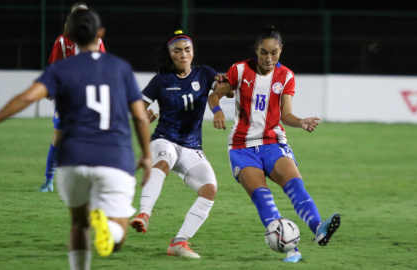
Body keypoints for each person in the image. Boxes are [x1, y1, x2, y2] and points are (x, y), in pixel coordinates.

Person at [0, 10, 151, 270]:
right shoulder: (120, 67)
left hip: (72, 159)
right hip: (114, 158)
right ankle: (109, 228)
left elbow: (26, 98)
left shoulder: (61, 68)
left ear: (69, 36)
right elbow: (139, 116)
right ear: (100, 34)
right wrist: (146, 155)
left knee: (78, 223)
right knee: (117, 237)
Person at [208, 25, 341, 263]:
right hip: (242, 146)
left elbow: (285, 115)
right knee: (262, 196)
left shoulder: (286, 76)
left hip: (273, 142)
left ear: (281, 50)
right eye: (263, 53)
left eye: (274, 52)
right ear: (256, 51)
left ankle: (318, 228)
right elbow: (215, 94)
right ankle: (291, 250)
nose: (269, 58)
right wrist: (217, 111)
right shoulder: (239, 70)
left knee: (296, 186)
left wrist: (301, 122)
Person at [129, 30, 231, 258]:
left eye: (187, 49)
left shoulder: (204, 73)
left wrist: (225, 87)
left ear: (193, 52)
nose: (183, 54)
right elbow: (138, 108)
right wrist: (144, 115)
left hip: (192, 147)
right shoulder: (160, 80)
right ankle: (144, 214)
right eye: (177, 50)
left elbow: (223, 89)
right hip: (165, 140)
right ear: (170, 54)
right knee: (163, 162)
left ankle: (179, 242)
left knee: (209, 190)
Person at [39, 2, 106, 192]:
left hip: (90, 98)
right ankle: (48, 180)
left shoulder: (96, 41)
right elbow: (54, 66)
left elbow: (102, 67)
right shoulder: (62, 40)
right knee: (58, 139)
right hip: (67, 97)